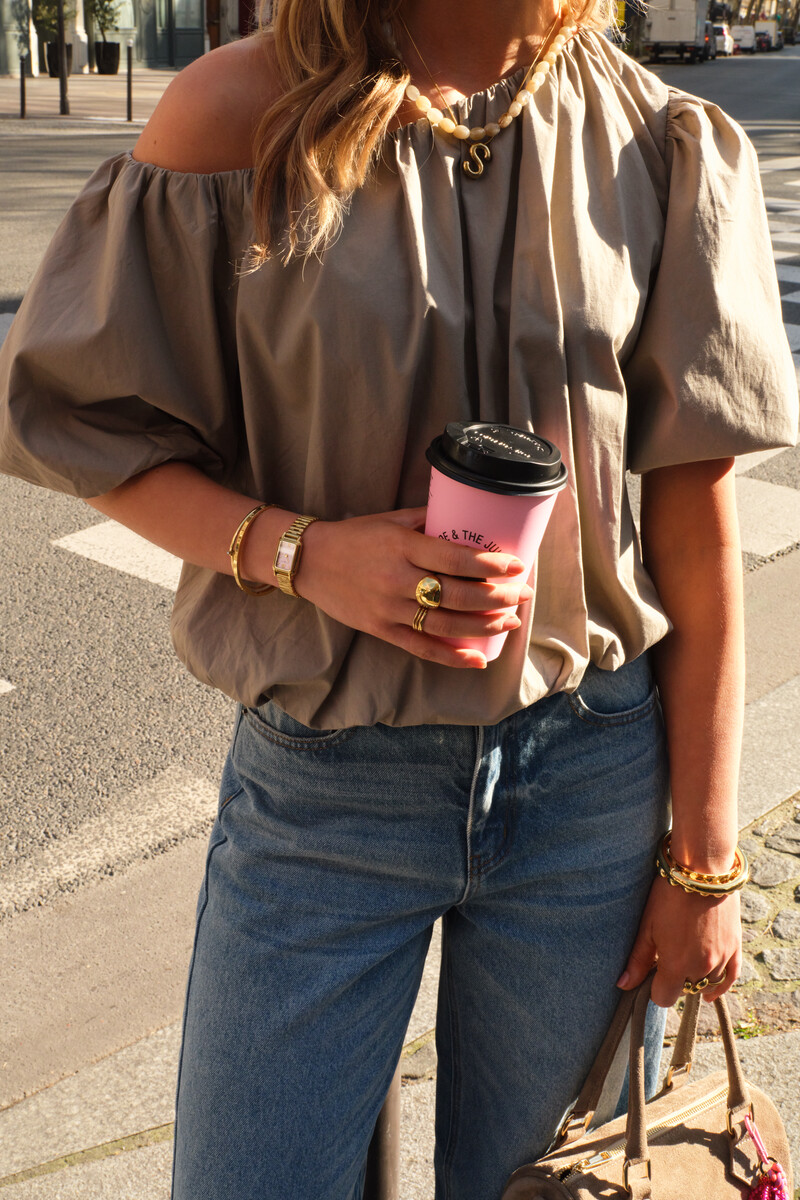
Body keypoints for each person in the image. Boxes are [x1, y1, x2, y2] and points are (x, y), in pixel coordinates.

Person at [0, 0, 797, 1196]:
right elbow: (81, 421)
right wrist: (298, 554)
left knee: (555, 1184)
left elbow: (692, 520)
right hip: (325, 796)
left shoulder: (655, 135)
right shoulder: (236, 111)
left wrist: (701, 863)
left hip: (588, 785)